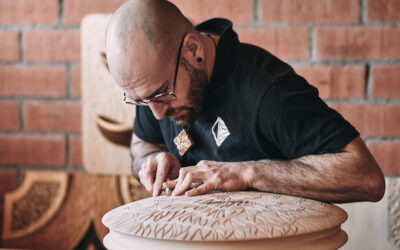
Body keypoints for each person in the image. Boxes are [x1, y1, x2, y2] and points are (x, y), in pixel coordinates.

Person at [105, 0, 385, 202]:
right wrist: (151, 160)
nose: (156, 113)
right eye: (140, 101)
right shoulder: (153, 88)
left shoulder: (269, 92)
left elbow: (367, 177)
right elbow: (143, 143)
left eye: (162, 93)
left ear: (193, 49)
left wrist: (248, 173)